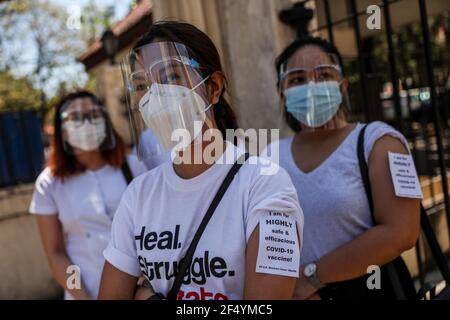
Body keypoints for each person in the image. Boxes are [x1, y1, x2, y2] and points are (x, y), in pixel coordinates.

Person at [99, 21, 304, 300]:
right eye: (142, 84)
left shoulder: (265, 184)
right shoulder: (139, 195)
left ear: (214, 88)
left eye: (170, 77)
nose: (154, 95)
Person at [268, 36, 421, 300]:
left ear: (342, 86)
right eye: (297, 80)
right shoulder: (269, 156)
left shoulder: (380, 142)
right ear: (282, 93)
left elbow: (402, 233)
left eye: (323, 75)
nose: (311, 86)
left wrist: (310, 278)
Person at [29, 91, 147, 300]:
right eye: (75, 118)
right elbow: (57, 253)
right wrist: (81, 294)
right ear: (62, 131)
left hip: (139, 291)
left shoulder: (134, 167)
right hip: (85, 292)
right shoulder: (49, 184)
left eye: (94, 115)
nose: (86, 123)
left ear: (105, 121)